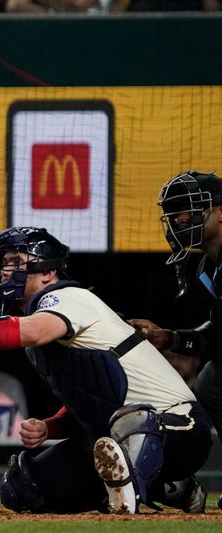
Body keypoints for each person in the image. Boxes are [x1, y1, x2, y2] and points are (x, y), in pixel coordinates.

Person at [0, 227, 212, 514]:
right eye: (3, 263)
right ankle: (174, 489)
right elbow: (95, 394)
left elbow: (33, 332)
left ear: (48, 272)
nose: (4, 270)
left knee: (135, 423)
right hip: (115, 437)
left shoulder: (66, 296)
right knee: (22, 488)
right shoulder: (38, 327)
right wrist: (50, 426)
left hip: (180, 429)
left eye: (15, 261)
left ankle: (130, 501)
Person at [128, 170, 222, 511]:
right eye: (174, 211)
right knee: (213, 381)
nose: (179, 218)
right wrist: (168, 338)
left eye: (189, 208)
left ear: (221, 213)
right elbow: (219, 335)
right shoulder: (206, 269)